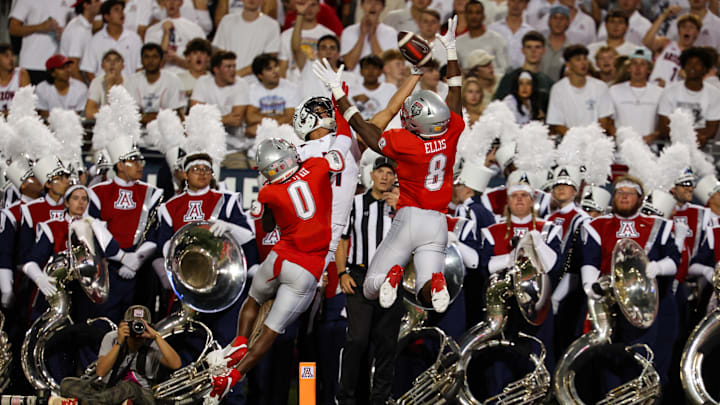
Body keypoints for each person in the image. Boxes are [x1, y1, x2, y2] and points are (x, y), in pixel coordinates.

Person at [205, 105, 354, 401]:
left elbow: (264, 223)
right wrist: (340, 104)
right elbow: (343, 145)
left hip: (281, 261)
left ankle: (248, 359)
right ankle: (300, 398)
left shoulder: (267, 193)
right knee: (294, 346)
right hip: (311, 267)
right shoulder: (315, 168)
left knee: (293, 342)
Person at [326, 16, 463, 313]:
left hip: (409, 216)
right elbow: (455, 91)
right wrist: (450, 51)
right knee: (426, 295)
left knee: (371, 285)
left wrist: (338, 95)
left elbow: (365, 128)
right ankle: (436, 283)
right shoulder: (451, 130)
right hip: (438, 221)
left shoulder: (407, 142)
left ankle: (392, 276)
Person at [581, 175, 680, 389]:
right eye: (619, 192)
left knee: (645, 359)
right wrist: (589, 286)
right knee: (609, 361)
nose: (624, 197)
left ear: (640, 198)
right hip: (610, 306)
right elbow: (590, 259)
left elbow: (674, 260)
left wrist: (656, 268)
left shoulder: (658, 226)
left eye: (629, 193)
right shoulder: (597, 225)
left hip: (649, 307)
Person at [479, 171, 561, 379]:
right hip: (503, 304)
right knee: (500, 355)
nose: (519, 200)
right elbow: (483, 266)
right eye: (515, 196)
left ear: (532, 200)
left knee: (537, 354)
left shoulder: (548, 229)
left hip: (537, 303)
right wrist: (511, 258)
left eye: (524, 195)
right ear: (507, 201)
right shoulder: (492, 230)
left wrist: (538, 243)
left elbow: (553, 265)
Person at [335, 157, 402, 405]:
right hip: (360, 276)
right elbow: (341, 240)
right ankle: (347, 397)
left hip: (392, 281)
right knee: (358, 339)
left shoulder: (403, 207)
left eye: (389, 173)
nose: (385, 177)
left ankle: (379, 399)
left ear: (395, 178)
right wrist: (342, 273)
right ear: (371, 175)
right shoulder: (354, 204)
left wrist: (400, 208)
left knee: (386, 344)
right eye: (380, 171)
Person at [88, 123, 164, 323]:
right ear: (120, 165)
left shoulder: (152, 193)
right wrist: (122, 258)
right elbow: (95, 231)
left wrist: (136, 260)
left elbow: (155, 232)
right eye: (134, 160)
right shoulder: (98, 192)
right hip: (107, 269)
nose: (140, 165)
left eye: (140, 160)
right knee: (105, 323)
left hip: (141, 270)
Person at [60, 305, 182, 405]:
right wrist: (119, 342)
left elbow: (176, 364)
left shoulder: (153, 344)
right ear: (124, 325)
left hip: (141, 394)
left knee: (128, 387)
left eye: (142, 326)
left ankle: (86, 402)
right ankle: (97, 401)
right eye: (133, 325)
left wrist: (156, 336)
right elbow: (101, 372)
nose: (137, 330)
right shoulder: (112, 338)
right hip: (109, 389)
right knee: (67, 384)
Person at [657, 47, 720, 146]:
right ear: (683, 66)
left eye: (697, 64)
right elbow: (664, 127)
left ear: (705, 69)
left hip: (703, 153)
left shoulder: (714, 94)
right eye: (689, 63)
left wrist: (685, 136)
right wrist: (688, 138)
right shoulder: (669, 91)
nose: (692, 67)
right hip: (673, 151)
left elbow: (711, 129)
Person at [546, 45, 615, 136]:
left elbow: (604, 120)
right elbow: (557, 124)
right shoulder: (558, 89)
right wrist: (577, 139)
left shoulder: (600, 87)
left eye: (585, 59)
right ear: (568, 64)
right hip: (570, 143)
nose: (583, 63)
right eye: (578, 59)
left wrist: (590, 139)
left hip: (596, 142)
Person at [190, 51, 249, 145]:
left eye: (234, 66)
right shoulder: (202, 82)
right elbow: (195, 116)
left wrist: (208, 119)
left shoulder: (241, 84)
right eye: (228, 67)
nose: (233, 70)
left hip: (235, 141)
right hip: (207, 137)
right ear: (216, 69)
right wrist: (225, 119)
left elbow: (236, 121)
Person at [8, 0, 72, 84]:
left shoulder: (71, 1)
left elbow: (78, 25)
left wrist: (65, 33)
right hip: (31, 65)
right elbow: (12, 28)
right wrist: (40, 27)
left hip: (60, 66)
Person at [212, 0, 280, 77]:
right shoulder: (226, 21)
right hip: (228, 80)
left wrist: (238, 74)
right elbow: (220, 53)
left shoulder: (272, 25)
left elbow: (269, 58)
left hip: (255, 82)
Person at [80, 0, 143, 81]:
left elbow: (140, 68)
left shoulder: (134, 39)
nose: (121, 13)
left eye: (122, 10)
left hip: (128, 91)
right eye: (116, 10)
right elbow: (89, 70)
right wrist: (100, 89)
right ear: (107, 17)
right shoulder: (95, 40)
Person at [609, 48, 662, 142]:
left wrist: (652, 137)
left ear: (649, 69)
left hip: (650, 150)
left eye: (642, 64)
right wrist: (621, 137)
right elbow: (608, 122)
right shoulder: (614, 90)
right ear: (629, 68)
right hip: (622, 151)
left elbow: (664, 124)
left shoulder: (660, 92)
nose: (638, 68)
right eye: (634, 63)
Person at [125, 43, 186, 125]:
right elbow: (129, 114)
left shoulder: (174, 80)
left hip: (167, 129)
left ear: (161, 60)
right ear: (141, 60)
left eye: (155, 57)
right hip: (138, 129)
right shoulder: (131, 81)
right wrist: (161, 116)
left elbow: (177, 114)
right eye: (146, 57)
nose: (150, 61)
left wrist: (144, 116)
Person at [494, 31, 553, 111]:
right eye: (529, 47)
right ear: (523, 50)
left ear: (543, 51)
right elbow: (496, 106)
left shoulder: (548, 82)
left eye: (537, 47)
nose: (533, 51)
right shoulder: (510, 78)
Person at [245, 53, 300, 138]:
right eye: (269, 69)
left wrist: (266, 124)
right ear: (260, 75)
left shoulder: (291, 88)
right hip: (266, 132)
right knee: (250, 131)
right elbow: (251, 117)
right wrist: (279, 118)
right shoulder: (253, 89)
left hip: (284, 133)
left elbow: (290, 118)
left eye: (276, 66)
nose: (275, 71)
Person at [144, 0, 205, 74]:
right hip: (162, 78)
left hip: (187, 77)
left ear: (181, 2)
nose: (171, 3)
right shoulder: (152, 31)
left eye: (175, 0)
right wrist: (166, 34)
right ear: (163, 2)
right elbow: (152, 65)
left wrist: (177, 60)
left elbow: (201, 65)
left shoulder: (195, 29)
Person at [644, 10, 700, 88]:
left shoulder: (697, 56)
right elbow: (647, 42)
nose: (687, 30)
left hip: (674, 96)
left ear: (697, 32)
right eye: (683, 26)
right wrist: (663, 16)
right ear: (679, 30)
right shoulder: (666, 43)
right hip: (653, 89)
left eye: (691, 27)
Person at [279, 0, 334, 79]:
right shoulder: (285, 36)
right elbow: (282, 68)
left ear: (319, 7)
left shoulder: (329, 35)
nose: (309, 9)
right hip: (293, 85)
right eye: (304, 5)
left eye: (313, 5)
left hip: (319, 84)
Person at [341, 0, 398, 71]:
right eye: (369, 2)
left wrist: (372, 35)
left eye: (377, 3)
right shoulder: (348, 31)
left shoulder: (392, 33)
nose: (373, 6)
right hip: (353, 80)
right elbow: (349, 64)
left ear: (383, 8)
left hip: (380, 81)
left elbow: (385, 66)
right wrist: (362, 35)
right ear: (361, 6)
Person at [456, 0, 509, 74]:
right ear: (465, 16)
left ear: (484, 16)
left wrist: (484, 74)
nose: (474, 16)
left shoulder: (497, 40)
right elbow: (455, 70)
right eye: (470, 13)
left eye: (478, 13)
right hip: (466, 83)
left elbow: (505, 68)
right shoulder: (458, 42)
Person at [60, 0, 103, 84]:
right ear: (86, 5)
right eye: (97, 1)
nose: (100, 3)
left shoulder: (86, 26)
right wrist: (86, 90)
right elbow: (72, 67)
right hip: (74, 85)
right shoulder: (78, 29)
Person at [36, 54, 88, 119]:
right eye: (62, 68)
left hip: (74, 126)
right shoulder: (41, 88)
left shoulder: (81, 88)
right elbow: (45, 116)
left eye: (68, 67)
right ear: (52, 73)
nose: (67, 70)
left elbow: (79, 116)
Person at [488, 0, 533, 69]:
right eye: (513, 1)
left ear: (526, 5)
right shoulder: (493, 29)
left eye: (520, 1)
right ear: (507, 2)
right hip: (498, 75)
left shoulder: (531, 32)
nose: (516, 5)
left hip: (523, 76)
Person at [350, 55, 398, 120]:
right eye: (367, 68)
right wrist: (351, 101)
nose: (370, 71)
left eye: (374, 68)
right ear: (361, 71)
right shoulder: (351, 91)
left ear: (381, 72)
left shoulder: (390, 89)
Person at [85, 50, 125, 120]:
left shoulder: (131, 82)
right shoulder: (97, 82)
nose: (112, 64)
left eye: (116, 60)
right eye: (108, 60)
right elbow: (89, 112)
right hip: (105, 125)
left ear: (123, 66)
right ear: (102, 66)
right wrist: (109, 85)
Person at [539, 5, 571, 81]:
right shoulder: (539, 47)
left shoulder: (571, 50)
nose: (558, 22)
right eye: (554, 18)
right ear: (549, 21)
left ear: (568, 22)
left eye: (562, 18)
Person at [0, 44, 30, 114]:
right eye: (6, 56)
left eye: (12, 55)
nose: (11, 59)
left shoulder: (21, 74)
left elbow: (27, 104)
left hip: (17, 120)